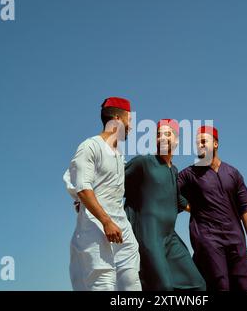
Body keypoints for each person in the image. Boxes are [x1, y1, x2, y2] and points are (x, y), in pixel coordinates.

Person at [63, 97, 141, 291]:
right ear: (117, 119)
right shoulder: (90, 147)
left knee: (131, 283)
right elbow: (82, 187)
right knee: (103, 285)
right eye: (129, 120)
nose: (131, 126)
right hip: (95, 231)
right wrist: (105, 221)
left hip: (122, 231)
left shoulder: (119, 156)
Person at [124, 119, 206, 291]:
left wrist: (205, 210)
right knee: (163, 287)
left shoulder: (173, 170)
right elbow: (114, 181)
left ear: (176, 140)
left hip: (170, 237)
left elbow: (178, 200)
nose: (162, 137)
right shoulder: (143, 163)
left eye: (167, 134)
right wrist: (85, 198)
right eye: (159, 134)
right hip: (148, 236)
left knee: (197, 285)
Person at [178, 125, 247, 291]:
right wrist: (189, 207)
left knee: (243, 284)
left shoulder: (233, 173)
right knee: (219, 283)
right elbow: (169, 192)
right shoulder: (189, 174)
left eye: (203, 141)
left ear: (215, 144)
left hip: (235, 237)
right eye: (197, 142)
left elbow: (245, 205)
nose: (200, 145)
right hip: (208, 238)